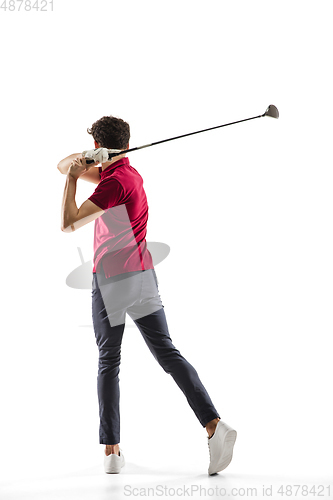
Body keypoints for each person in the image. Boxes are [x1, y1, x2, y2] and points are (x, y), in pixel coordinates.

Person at [58, 115, 237, 475]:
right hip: (143, 277)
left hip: (111, 282)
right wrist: (84, 161)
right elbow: (61, 164)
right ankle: (214, 425)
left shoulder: (111, 185)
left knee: (109, 362)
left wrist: (73, 178)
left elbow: (69, 221)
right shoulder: (127, 174)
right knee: (168, 353)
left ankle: (111, 450)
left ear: (101, 145)